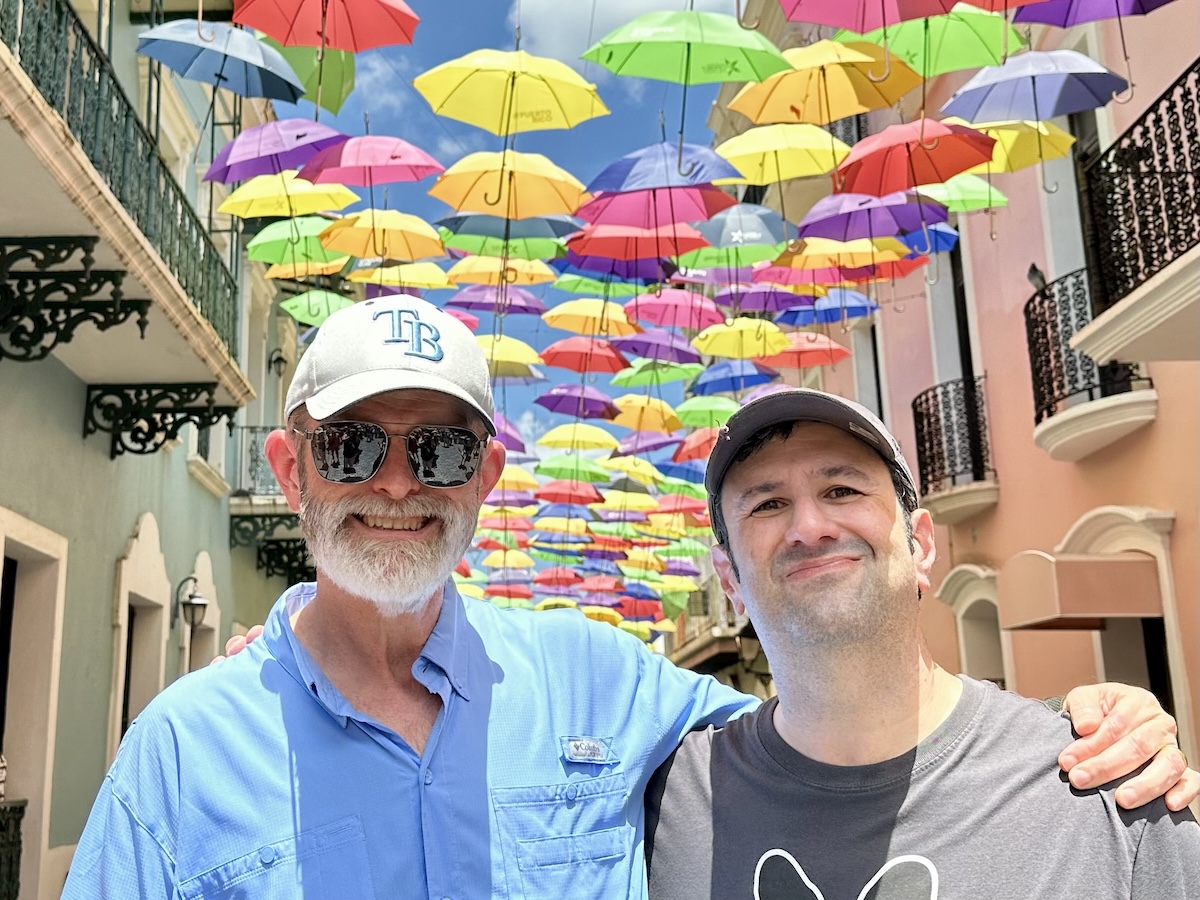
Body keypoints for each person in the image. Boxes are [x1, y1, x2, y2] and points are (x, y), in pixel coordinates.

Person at [61, 298, 1196, 900]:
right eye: (353, 448)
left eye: (441, 452)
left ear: (488, 479)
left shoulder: (601, 681)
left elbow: (835, 711)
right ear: (291, 468)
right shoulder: (181, 752)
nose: (398, 484)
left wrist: (1086, 721)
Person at [644, 389, 1200, 899]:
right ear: (728, 578)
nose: (809, 526)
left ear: (922, 545)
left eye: (842, 489)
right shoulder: (659, 807)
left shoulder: (1110, 782)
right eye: (767, 504)